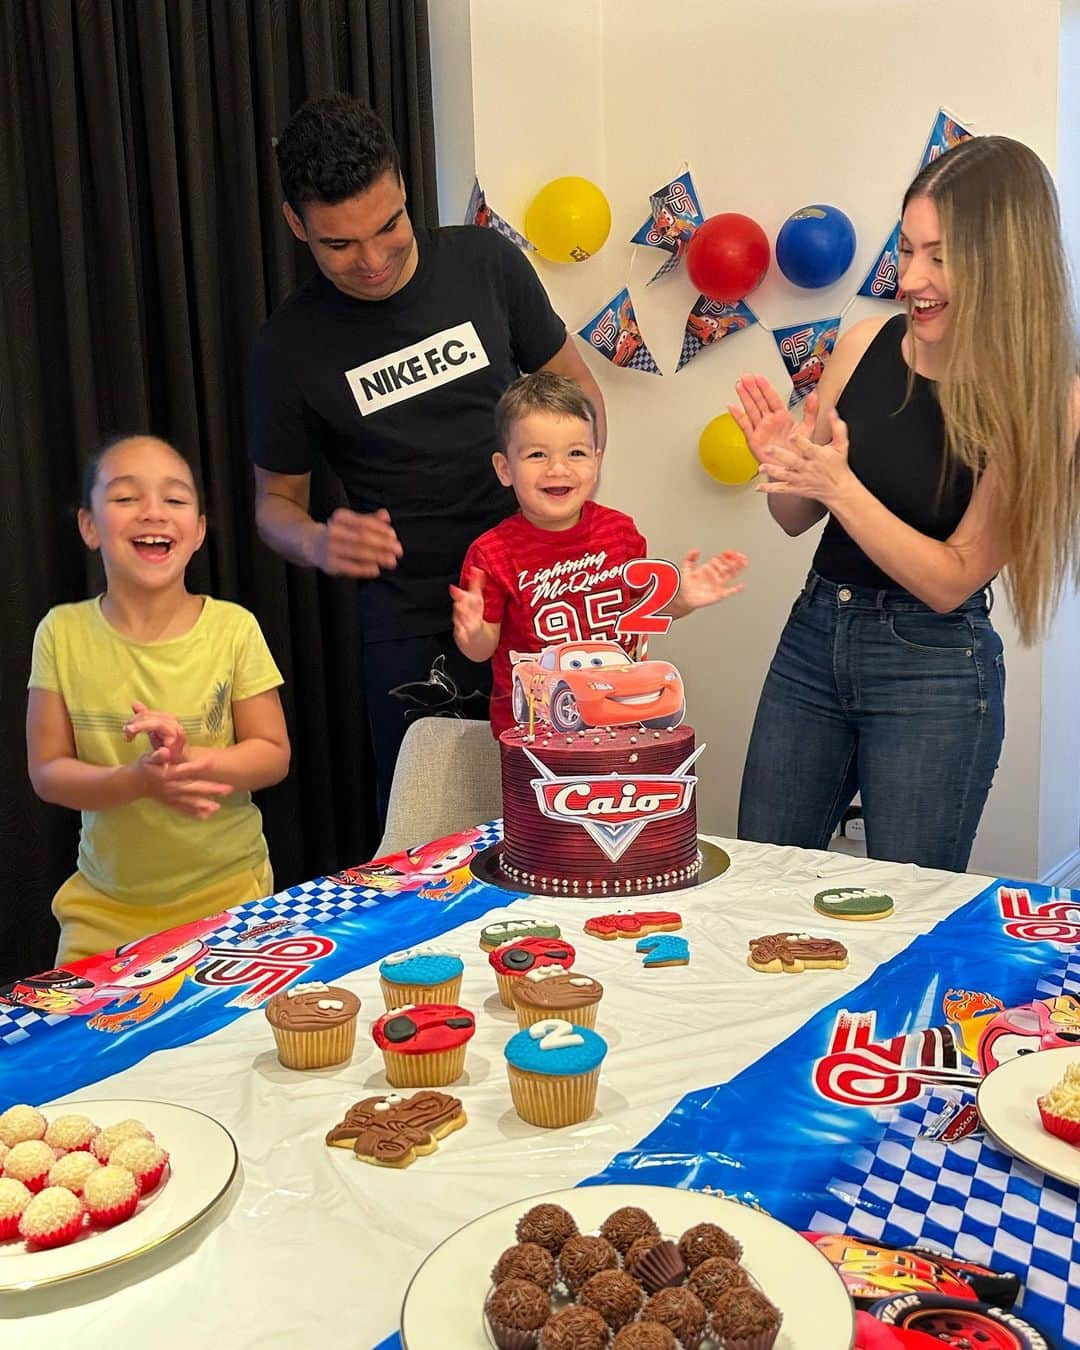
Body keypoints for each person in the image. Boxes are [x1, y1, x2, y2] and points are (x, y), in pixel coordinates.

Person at [247, 94, 607, 817]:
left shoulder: (485, 262)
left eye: (389, 228)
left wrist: (570, 505)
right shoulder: (288, 345)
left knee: (568, 809)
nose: (374, 261)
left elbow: (574, 386)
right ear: (296, 226)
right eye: (339, 246)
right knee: (432, 832)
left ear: (405, 188)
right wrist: (318, 540)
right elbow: (274, 504)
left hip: (541, 587)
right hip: (412, 618)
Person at [731, 135, 1080, 871]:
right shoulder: (863, 344)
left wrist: (838, 487)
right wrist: (786, 466)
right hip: (815, 634)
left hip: (935, 665)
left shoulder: (1047, 398)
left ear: (1005, 262)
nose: (912, 278)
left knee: (906, 915)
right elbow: (797, 520)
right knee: (759, 883)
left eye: (941, 257)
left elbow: (954, 578)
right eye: (909, 249)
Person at [26, 435, 291, 963]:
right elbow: (48, 770)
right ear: (89, 526)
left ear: (197, 532)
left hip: (231, 896)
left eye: (174, 499)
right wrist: (136, 781)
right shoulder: (61, 632)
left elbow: (273, 753)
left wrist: (190, 760)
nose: (153, 512)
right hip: (103, 908)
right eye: (126, 498)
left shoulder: (234, 629)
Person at [451, 372, 747, 735]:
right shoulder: (491, 552)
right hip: (534, 734)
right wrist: (471, 633)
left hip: (622, 721)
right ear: (504, 468)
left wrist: (681, 600)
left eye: (576, 453)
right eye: (536, 454)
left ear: (596, 460)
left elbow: (642, 614)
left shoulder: (619, 532)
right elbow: (482, 650)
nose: (557, 468)